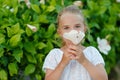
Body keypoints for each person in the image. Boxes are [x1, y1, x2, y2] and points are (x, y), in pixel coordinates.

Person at [42, 5, 108, 80]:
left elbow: (103, 78)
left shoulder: (92, 52)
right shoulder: (54, 55)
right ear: (60, 32)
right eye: (66, 28)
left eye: (77, 26)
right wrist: (62, 63)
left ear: (84, 29)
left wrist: (84, 61)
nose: (72, 31)